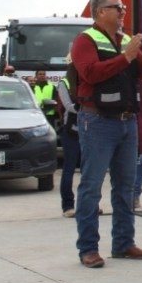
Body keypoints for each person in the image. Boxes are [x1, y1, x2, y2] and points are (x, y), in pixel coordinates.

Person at [70, 0, 142, 268]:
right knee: (91, 187)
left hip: (127, 120)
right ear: (100, 12)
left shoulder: (124, 40)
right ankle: (88, 249)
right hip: (97, 121)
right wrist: (128, 56)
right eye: (117, 7)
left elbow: (139, 76)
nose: (123, 11)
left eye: (123, 7)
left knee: (125, 187)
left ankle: (123, 243)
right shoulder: (85, 40)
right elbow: (90, 73)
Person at [56, 52, 80, 217]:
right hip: (71, 130)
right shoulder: (64, 83)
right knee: (69, 168)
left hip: (89, 129)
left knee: (90, 170)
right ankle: (68, 206)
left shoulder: (86, 80)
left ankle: (89, 204)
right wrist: (87, 108)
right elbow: (69, 105)